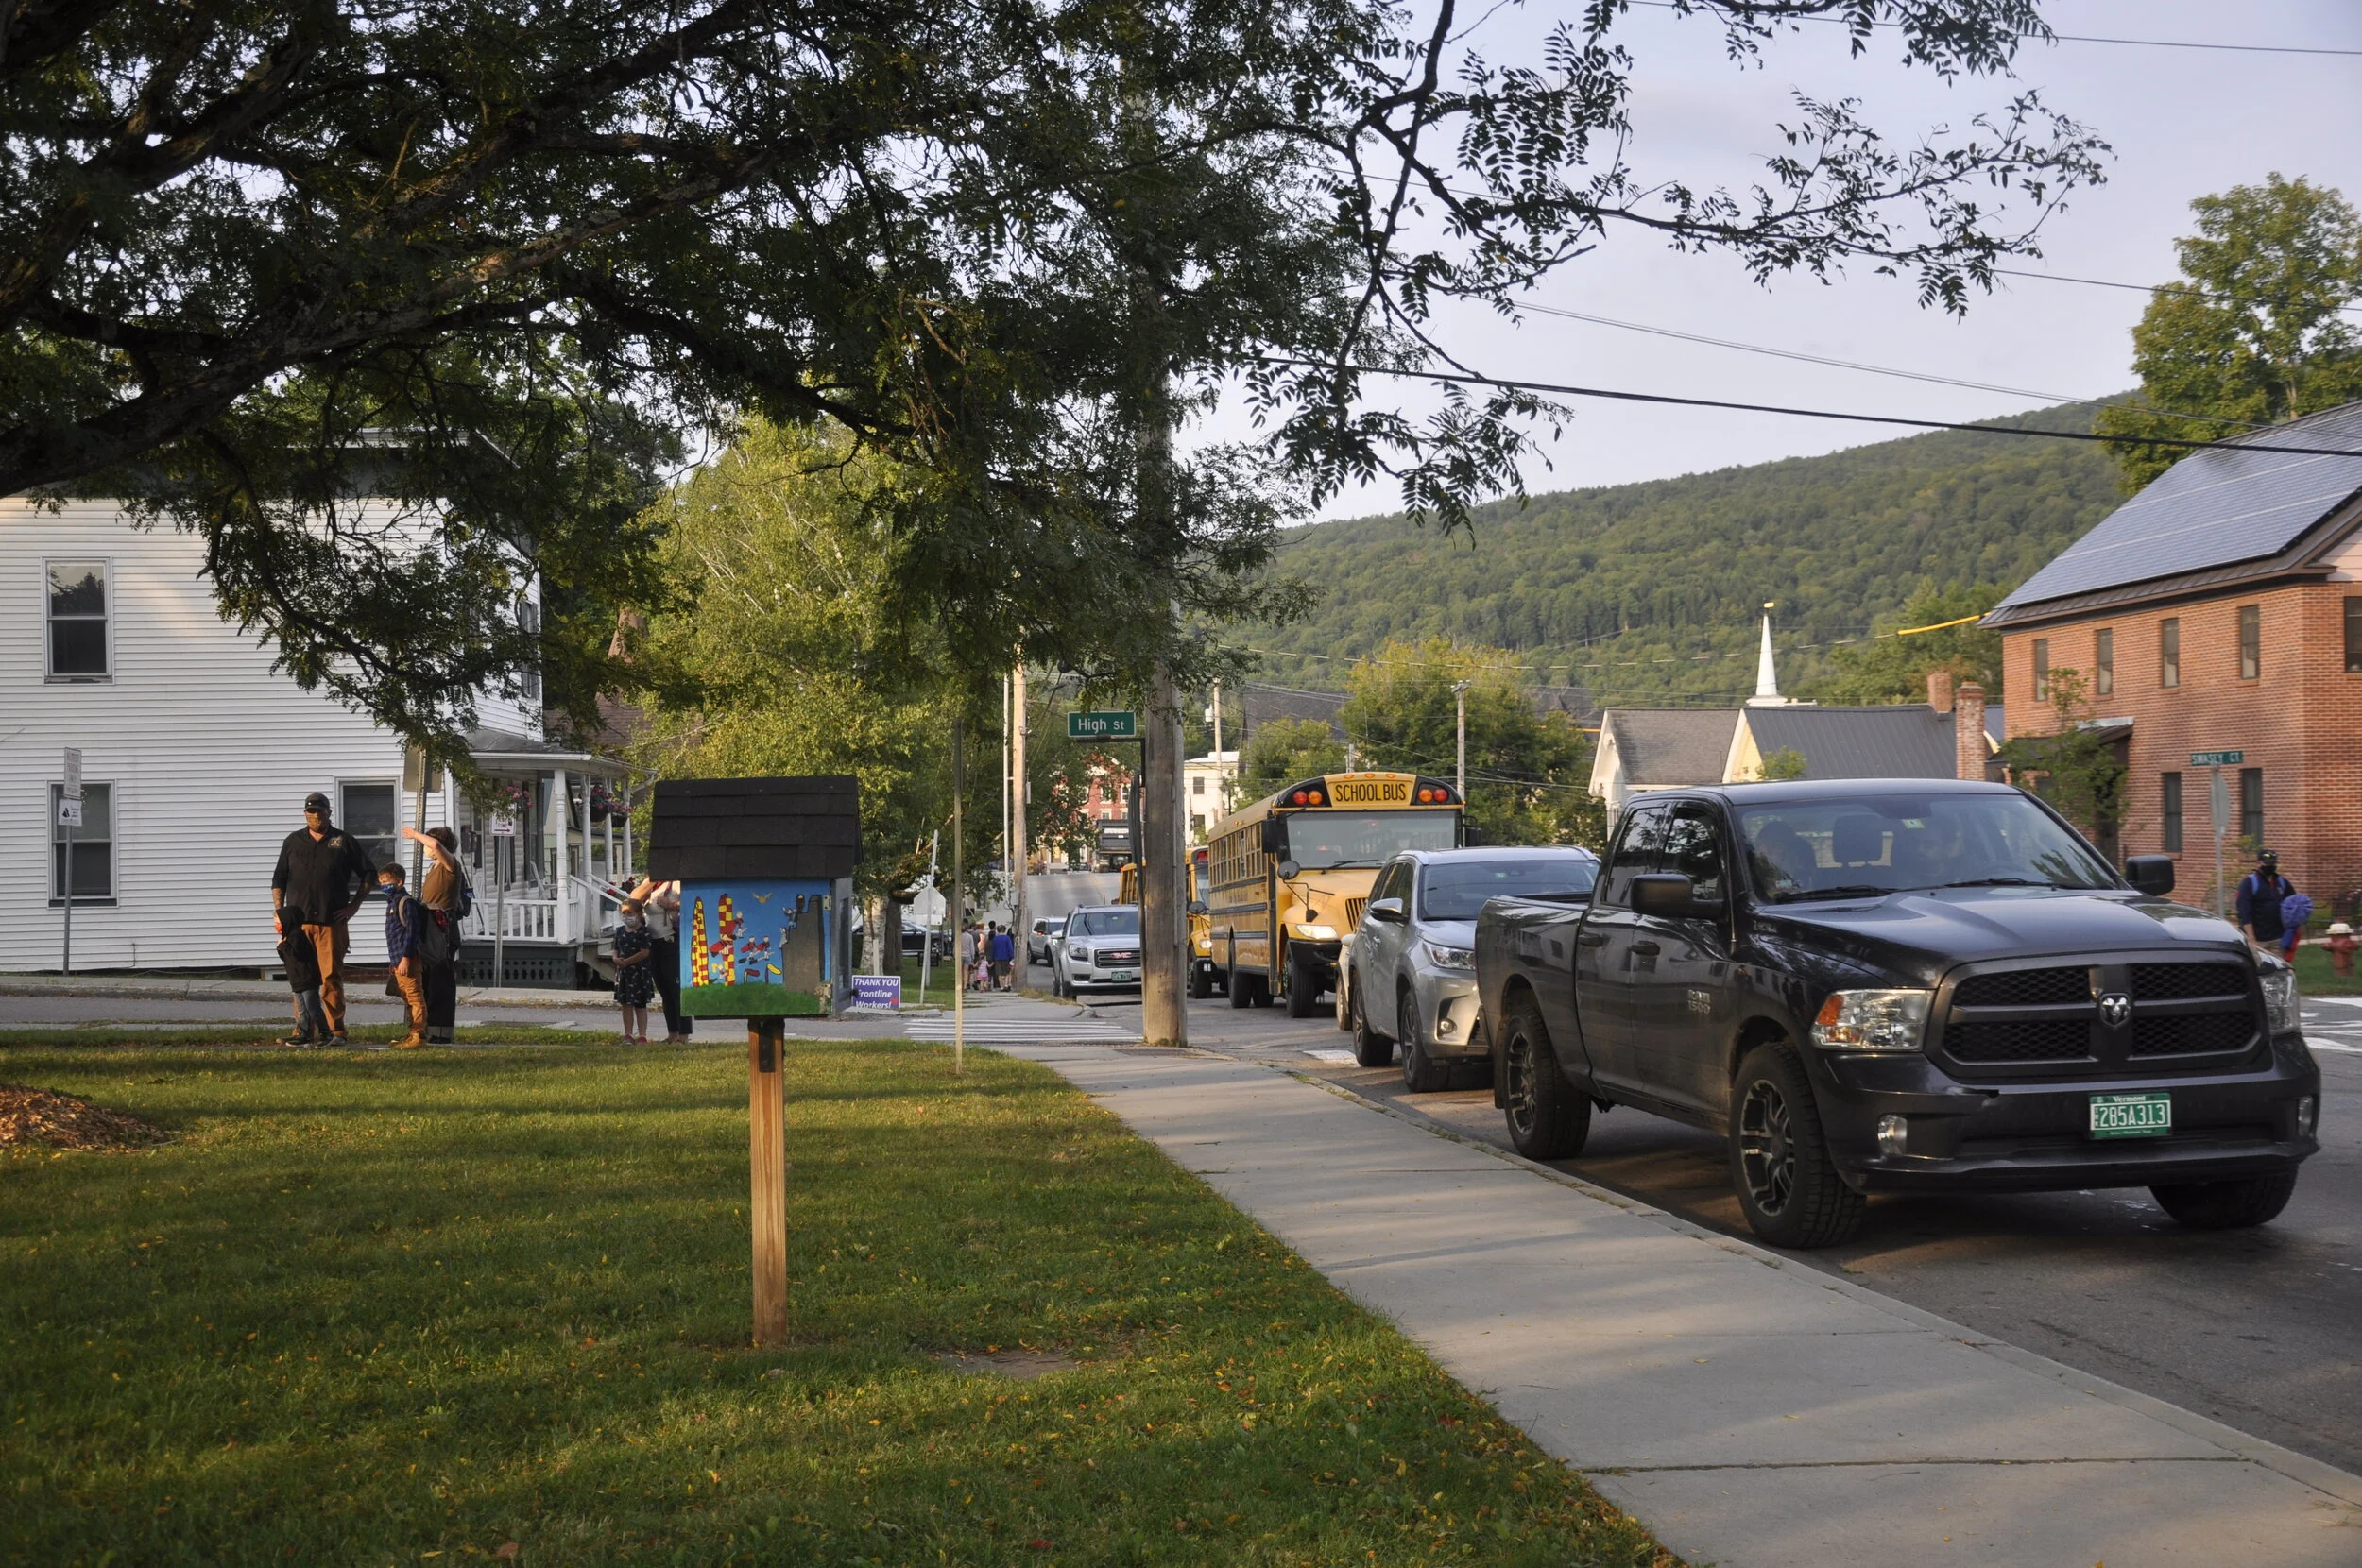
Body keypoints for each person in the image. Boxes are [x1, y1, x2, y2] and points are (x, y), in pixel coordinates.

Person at [272, 792, 376, 1047]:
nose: (315, 816)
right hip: (297, 925)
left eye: (320, 811)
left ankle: (335, 1032)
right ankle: (303, 1030)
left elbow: (368, 874)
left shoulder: (343, 841)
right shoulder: (293, 841)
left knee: (330, 978)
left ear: (329, 813)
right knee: (301, 978)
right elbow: (279, 879)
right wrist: (279, 913)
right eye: (311, 812)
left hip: (331, 922)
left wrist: (354, 906)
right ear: (305, 814)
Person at [402, 825, 468, 1044]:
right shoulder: (433, 868)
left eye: (426, 844)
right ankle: (426, 1029)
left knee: (441, 981)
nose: (426, 848)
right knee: (428, 980)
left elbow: (437, 845)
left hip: (443, 929)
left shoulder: (451, 866)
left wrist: (415, 834)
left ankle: (442, 1033)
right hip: (428, 927)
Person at [629, 876, 692, 1043]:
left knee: (676, 989)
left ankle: (684, 1034)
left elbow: (691, 903)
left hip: (670, 940)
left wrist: (671, 905)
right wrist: (651, 880)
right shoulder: (652, 884)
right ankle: (672, 1033)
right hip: (653, 942)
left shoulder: (676, 883)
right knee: (664, 989)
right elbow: (633, 899)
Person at [381, 861, 428, 1048]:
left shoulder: (406, 903)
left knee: (414, 996)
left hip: (408, 959)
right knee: (407, 997)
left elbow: (412, 932)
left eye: (386, 882)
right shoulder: (392, 903)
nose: (383, 886)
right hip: (397, 959)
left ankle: (419, 1034)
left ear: (399, 881)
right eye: (381, 883)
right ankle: (412, 1032)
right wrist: (394, 961)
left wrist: (406, 957)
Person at [276, 902, 330, 1048]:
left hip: (307, 979)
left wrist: (283, 946)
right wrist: (282, 948)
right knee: (302, 1010)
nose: (277, 925)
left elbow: (297, 956)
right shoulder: (289, 937)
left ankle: (326, 1033)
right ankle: (304, 1034)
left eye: (278, 922)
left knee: (313, 1008)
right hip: (297, 980)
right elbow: (287, 959)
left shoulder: (297, 936)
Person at [2236, 849, 2299, 955]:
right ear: (2259, 863)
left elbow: (2294, 903)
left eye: (2273, 863)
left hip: (2278, 938)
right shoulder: (2249, 882)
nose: (2270, 866)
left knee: (2279, 965)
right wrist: (2251, 938)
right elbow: (2244, 912)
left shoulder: (2282, 882)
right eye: (2267, 863)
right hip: (2258, 939)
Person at [612, 899, 656, 1045]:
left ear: (638, 914)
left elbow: (644, 952)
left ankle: (642, 1035)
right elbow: (616, 949)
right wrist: (615, 959)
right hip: (624, 974)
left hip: (639, 973)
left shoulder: (643, 932)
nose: (626, 916)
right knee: (626, 1004)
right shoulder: (620, 931)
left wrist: (627, 961)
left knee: (640, 1004)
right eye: (624, 913)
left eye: (630, 913)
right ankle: (628, 1034)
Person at [987, 922, 1017, 991]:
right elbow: (1010, 948)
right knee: (1006, 972)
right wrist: (1012, 956)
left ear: (998, 931)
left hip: (997, 958)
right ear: (1004, 930)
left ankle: (1001, 986)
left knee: (999, 973)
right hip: (1006, 957)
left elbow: (993, 949)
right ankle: (1006, 985)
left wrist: (992, 958)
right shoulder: (1007, 938)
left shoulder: (995, 939)